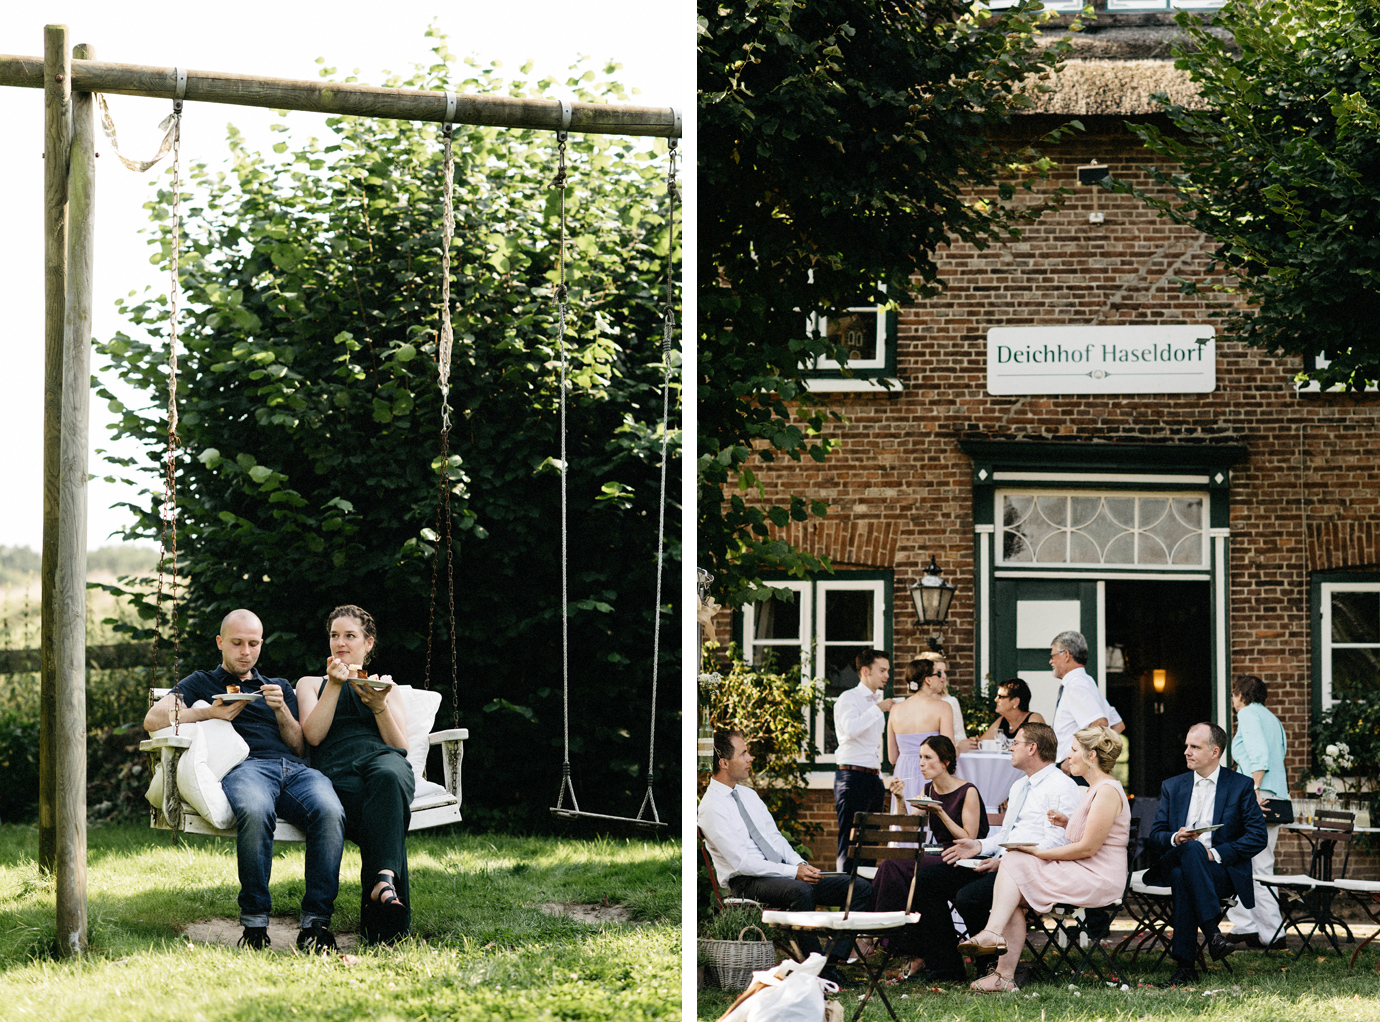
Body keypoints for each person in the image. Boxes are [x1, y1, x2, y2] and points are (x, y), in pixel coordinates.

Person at [143, 609, 346, 952]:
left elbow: (299, 745)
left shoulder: (278, 686)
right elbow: (154, 719)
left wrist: (282, 711)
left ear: (261, 645)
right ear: (221, 643)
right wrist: (209, 711)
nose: (245, 652)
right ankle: (255, 924)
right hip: (245, 768)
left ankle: (315, 925)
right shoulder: (201, 682)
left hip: (294, 770)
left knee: (330, 811)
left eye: (253, 644)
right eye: (237, 643)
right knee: (254, 809)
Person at [893, 722, 1080, 983]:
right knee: (927, 881)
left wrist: (1004, 861)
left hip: (1035, 870)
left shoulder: (1061, 786)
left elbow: (1056, 842)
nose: (1011, 748)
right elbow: (1005, 837)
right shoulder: (1019, 787)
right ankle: (945, 967)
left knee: (970, 896)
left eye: (1015, 743)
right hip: (1006, 863)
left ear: (1032, 748)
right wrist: (978, 846)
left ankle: (989, 966)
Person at [699, 730, 871, 987]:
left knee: (858, 888)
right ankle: (817, 972)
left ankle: (830, 964)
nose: (750, 758)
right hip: (747, 882)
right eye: (744, 753)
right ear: (724, 762)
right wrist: (793, 873)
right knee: (800, 889)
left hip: (782, 875)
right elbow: (742, 863)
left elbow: (776, 839)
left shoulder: (749, 795)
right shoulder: (711, 807)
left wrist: (798, 864)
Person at [965, 726, 1130, 992]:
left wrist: (1039, 853)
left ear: (1092, 756)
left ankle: (993, 939)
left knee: (1016, 862)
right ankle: (1003, 975)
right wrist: (1067, 823)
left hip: (1098, 877)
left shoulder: (1107, 791)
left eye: (1074, 750)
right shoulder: (1092, 789)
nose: (1068, 756)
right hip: (1082, 869)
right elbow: (1086, 835)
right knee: (1013, 884)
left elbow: (1087, 848)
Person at [299, 605, 416, 943]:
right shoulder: (311, 684)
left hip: (383, 761)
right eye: (335, 635)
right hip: (338, 769)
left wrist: (379, 706)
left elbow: (400, 746)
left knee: (390, 778)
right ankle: (386, 909)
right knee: (382, 810)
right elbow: (314, 736)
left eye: (350, 636)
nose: (340, 642)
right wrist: (335, 685)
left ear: (368, 644)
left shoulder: (383, 685)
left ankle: (381, 883)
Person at [1143, 721, 1268, 987]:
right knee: (1188, 849)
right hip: (1176, 858)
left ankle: (1185, 967)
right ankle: (1213, 934)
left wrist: (1215, 853)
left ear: (1215, 751)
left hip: (1218, 870)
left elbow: (1258, 837)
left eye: (1194, 747)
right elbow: (1155, 836)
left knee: (1182, 874)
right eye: (1186, 746)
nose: (1186, 751)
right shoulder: (1173, 786)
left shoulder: (1241, 786)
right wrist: (1176, 837)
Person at [872, 735, 988, 978]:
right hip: (941, 855)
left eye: (927, 758)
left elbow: (970, 837)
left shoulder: (968, 791)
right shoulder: (928, 789)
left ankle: (895, 942)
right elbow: (909, 829)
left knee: (899, 868)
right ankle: (900, 941)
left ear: (945, 762)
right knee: (892, 866)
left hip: (965, 858)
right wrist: (900, 799)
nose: (921, 764)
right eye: (920, 758)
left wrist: (940, 812)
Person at [1223, 675, 1289, 949]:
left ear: (1240, 695)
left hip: (1257, 797)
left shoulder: (1248, 714)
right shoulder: (1272, 719)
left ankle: (1269, 932)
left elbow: (1259, 756)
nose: (1232, 700)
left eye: (1233, 695)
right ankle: (1252, 927)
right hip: (1276, 797)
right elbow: (1279, 754)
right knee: (1257, 864)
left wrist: (1254, 790)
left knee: (1242, 859)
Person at [832, 649, 895, 872]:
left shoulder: (876, 700)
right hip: (851, 776)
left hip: (873, 778)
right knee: (850, 840)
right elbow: (850, 729)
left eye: (887, 670)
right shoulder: (848, 698)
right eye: (882, 670)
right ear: (866, 671)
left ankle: (865, 899)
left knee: (870, 843)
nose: (887, 675)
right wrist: (877, 709)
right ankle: (844, 896)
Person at [886, 659, 954, 812]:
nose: (942, 677)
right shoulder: (943, 707)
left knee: (904, 821)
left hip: (904, 774)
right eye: (939, 674)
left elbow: (892, 758)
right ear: (928, 680)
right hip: (931, 772)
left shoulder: (895, 710)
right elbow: (948, 752)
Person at [1048, 631, 1111, 774]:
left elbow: (1100, 723)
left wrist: (1073, 759)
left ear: (1066, 655)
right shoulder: (1087, 683)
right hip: (1080, 766)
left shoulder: (1076, 685)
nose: (1050, 661)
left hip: (1072, 768)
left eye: (1053, 656)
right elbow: (1117, 725)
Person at [958, 677, 1044, 753]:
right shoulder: (1002, 721)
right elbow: (982, 743)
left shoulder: (1033, 719)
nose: (996, 700)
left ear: (1015, 702)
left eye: (1000, 697)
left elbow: (1038, 750)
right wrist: (974, 744)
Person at [918, 651, 965, 741]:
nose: (943, 676)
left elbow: (960, 735)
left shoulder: (951, 701)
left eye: (945, 672)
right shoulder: (912, 703)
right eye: (939, 672)